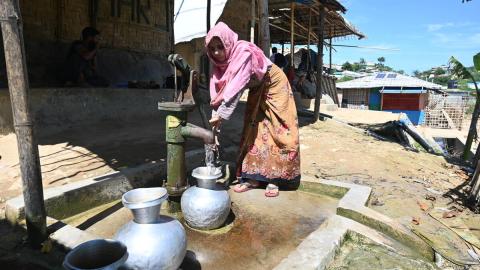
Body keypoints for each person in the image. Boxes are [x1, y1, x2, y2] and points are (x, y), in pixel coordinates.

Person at [206, 22, 300, 197]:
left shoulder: (243, 52)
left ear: (228, 43)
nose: (217, 52)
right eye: (212, 49)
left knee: (278, 127)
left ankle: (276, 178)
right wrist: (214, 128)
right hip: (257, 85)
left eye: (220, 47)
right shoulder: (218, 66)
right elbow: (218, 96)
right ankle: (254, 178)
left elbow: (235, 90)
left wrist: (221, 118)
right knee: (254, 127)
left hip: (274, 83)